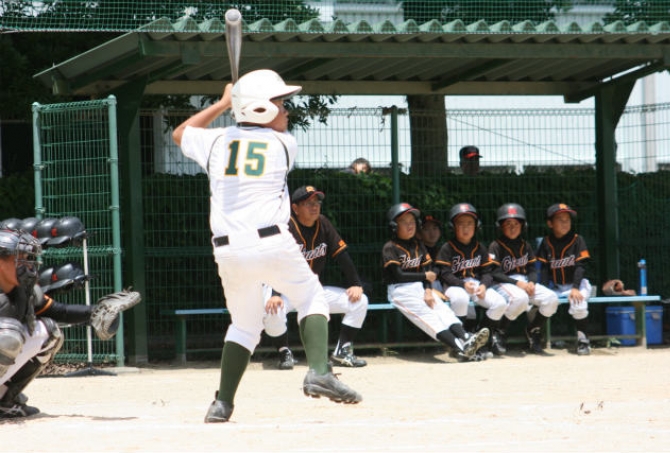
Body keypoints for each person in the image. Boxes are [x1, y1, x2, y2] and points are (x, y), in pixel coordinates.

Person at [171, 69, 362, 423]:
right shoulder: (284, 144)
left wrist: (222, 103)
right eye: (279, 103)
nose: (286, 110)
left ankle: (222, 404)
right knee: (312, 297)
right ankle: (320, 371)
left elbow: (180, 133)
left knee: (244, 325)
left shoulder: (215, 141)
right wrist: (234, 102)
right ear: (260, 108)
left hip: (227, 251)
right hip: (272, 242)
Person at [0, 228, 141, 419]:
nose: (28, 265)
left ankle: (4, 402)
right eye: (20, 258)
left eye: (28, 258)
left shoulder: (24, 291)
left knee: (49, 332)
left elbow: (60, 312)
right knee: (8, 334)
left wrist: (97, 312)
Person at [263, 185, 368, 369]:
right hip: (283, 288)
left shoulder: (323, 223)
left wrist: (356, 284)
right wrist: (275, 294)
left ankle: (342, 351)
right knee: (272, 311)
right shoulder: (286, 227)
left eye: (317, 202)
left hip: (311, 289)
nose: (314, 206)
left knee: (360, 301)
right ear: (295, 208)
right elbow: (275, 262)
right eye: (308, 203)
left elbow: (342, 255)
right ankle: (284, 352)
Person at [382, 202, 489, 362]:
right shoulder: (390, 247)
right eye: (404, 222)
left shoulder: (418, 245)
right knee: (429, 318)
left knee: (442, 310)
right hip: (399, 290)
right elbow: (399, 275)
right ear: (394, 226)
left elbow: (427, 274)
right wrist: (424, 278)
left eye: (412, 222)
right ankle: (461, 348)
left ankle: (466, 338)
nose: (410, 225)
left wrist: (427, 290)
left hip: (420, 287)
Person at [436, 203, 507, 357]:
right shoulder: (447, 248)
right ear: (453, 226)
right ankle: (459, 343)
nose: (466, 228)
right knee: (460, 298)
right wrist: (462, 284)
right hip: (453, 285)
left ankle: (478, 339)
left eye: (470, 223)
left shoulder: (480, 247)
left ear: (476, 226)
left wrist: (484, 285)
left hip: (475, 284)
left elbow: (487, 272)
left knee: (500, 303)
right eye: (461, 224)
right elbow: (445, 274)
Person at [488, 203, 559, 354]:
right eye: (508, 224)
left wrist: (532, 282)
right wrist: (518, 283)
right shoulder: (495, 246)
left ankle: (533, 329)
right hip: (501, 283)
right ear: (500, 226)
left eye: (516, 224)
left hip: (524, 282)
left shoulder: (525, 245)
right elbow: (494, 273)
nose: (513, 227)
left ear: (523, 226)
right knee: (520, 298)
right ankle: (499, 332)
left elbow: (532, 269)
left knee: (551, 298)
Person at [535, 203, 593, 356]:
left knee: (579, 303)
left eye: (567, 219)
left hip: (578, 284)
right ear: (550, 223)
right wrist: (544, 290)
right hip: (557, 286)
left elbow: (580, 267)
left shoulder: (577, 240)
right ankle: (536, 335)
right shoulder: (546, 242)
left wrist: (575, 287)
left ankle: (583, 340)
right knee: (545, 301)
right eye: (560, 219)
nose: (565, 223)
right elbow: (544, 269)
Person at [419, 214, 444, 293]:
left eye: (435, 228)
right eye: (426, 229)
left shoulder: (444, 251)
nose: (432, 233)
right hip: (422, 287)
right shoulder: (416, 251)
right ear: (418, 234)